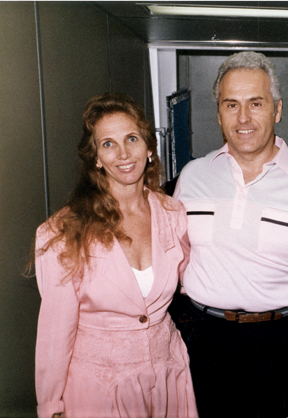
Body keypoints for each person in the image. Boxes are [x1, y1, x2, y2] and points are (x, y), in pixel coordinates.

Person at [173, 51, 288, 418]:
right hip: (205, 344)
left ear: (277, 110)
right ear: (218, 113)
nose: (244, 118)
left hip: (282, 346)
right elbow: (172, 257)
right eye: (231, 105)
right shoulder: (191, 178)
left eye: (256, 103)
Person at [33, 93, 197, 418]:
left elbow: (193, 281)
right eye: (108, 144)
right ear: (95, 157)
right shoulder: (63, 232)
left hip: (167, 378)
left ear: (149, 148)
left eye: (132, 139)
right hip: (97, 388)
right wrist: (51, 403)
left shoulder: (174, 214)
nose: (123, 153)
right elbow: (55, 331)